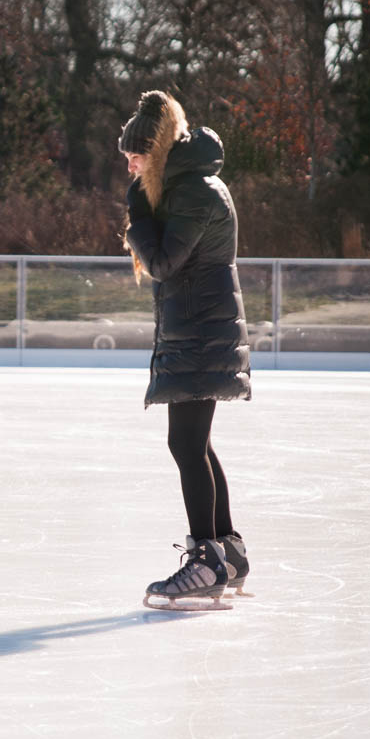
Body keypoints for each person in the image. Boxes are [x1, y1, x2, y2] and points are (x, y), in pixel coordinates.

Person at [118, 90, 252, 610]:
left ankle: (207, 562)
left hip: (200, 332)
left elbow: (165, 263)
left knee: (187, 445)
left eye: (136, 155)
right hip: (200, 330)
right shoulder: (186, 187)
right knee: (196, 443)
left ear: (159, 150)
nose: (130, 164)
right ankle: (227, 550)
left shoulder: (194, 191)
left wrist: (137, 221)